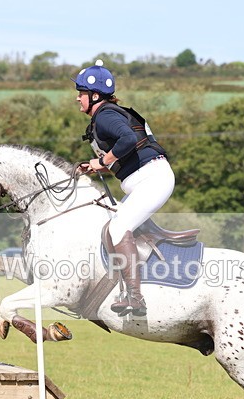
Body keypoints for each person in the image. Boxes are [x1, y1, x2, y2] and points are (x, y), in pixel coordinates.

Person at [75, 60, 175, 317]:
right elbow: (127, 151)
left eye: (81, 93)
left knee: (118, 227)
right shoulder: (108, 114)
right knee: (112, 223)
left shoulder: (105, 115)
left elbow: (129, 139)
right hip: (147, 179)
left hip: (152, 179)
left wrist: (103, 161)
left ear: (94, 95)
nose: (77, 99)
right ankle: (124, 288)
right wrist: (96, 166)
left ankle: (135, 297)